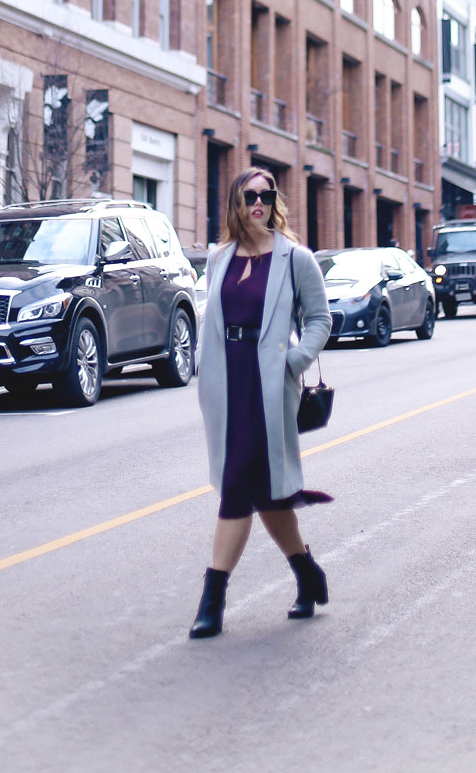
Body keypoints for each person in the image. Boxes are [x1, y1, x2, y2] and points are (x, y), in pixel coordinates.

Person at [189, 167, 333, 639]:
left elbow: (319, 318)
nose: (258, 203)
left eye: (266, 195)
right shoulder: (219, 258)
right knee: (268, 494)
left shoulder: (296, 259)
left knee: (238, 486)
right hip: (226, 380)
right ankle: (308, 574)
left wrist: (295, 360)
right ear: (235, 202)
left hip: (269, 383)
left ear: (275, 203)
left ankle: (212, 601)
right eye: (250, 195)